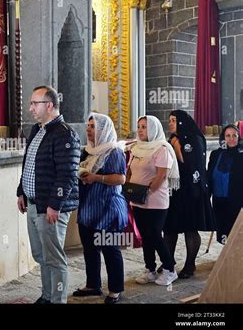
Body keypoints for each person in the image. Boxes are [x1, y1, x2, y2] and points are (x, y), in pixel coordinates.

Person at [16, 86, 81, 304]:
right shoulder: (37, 129)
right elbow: (29, 164)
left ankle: (57, 300)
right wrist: (21, 192)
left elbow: (68, 174)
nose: (30, 108)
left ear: (50, 105)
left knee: (54, 259)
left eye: (35, 103)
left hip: (50, 208)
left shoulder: (65, 134)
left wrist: (55, 205)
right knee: (41, 255)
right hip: (34, 204)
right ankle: (46, 296)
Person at [74, 113, 127, 304]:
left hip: (108, 209)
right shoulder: (88, 151)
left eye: (92, 126)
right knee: (89, 249)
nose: (87, 129)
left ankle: (115, 290)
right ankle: (93, 285)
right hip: (88, 208)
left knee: (110, 249)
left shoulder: (113, 151)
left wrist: (96, 178)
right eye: (88, 126)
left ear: (103, 130)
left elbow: (120, 178)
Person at [163, 110, 216, 279]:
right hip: (174, 190)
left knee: (190, 229)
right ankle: (168, 263)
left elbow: (190, 166)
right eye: (170, 120)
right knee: (170, 229)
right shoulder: (171, 139)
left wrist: (177, 146)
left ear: (181, 122)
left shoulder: (194, 139)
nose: (170, 123)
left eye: (173, 120)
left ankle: (190, 264)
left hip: (192, 191)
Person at [129, 116, 180, 286]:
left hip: (155, 200)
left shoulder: (162, 148)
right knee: (145, 236)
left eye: (144, 126)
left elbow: (161, 175)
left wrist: (146, 191)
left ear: (154, 128)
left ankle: (170, 269)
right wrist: (131, 190)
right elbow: (130, 171)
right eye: (139, 126)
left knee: (155, 235)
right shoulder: (136, 148)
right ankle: (150, 269)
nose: (141, 130)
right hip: (137, 200)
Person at [207, 124, 243, 244]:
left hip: (238, 200)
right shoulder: (216, 154)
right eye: (228, 136)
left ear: (239, 137)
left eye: (234, 135)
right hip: (218, 199)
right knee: (223, 229)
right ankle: (226, 257)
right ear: (223, 138)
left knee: (237, 231)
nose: (231, 138)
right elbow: (209, 175)